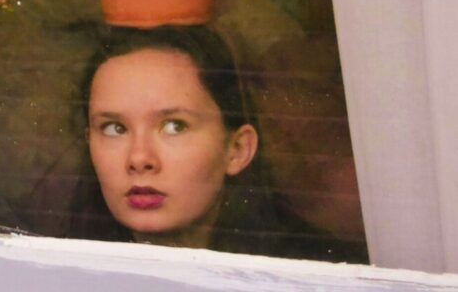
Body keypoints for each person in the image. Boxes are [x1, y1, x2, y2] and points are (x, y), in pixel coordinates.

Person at [64, 25, 366, 262]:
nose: (139, 158)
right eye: (115, 128)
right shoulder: (53, 266)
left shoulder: (320, 277)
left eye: (174, 126)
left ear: (236, 150)